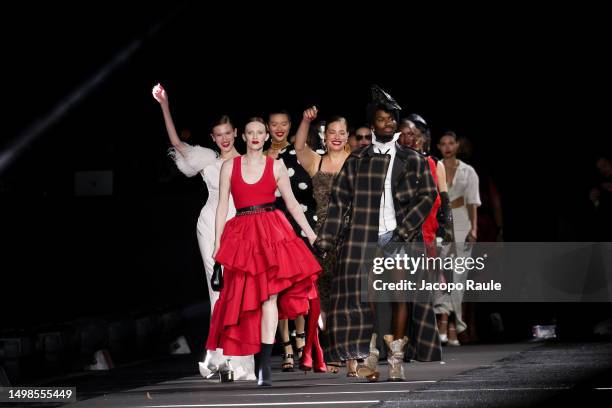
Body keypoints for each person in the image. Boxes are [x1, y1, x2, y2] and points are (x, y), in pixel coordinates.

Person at [314, 85, 440, 382]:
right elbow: (340, 201)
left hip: (398, 236)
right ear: (373, 124)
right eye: (383, 119)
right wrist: (326, 240)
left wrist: (406, 229)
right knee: (366, 299)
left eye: (393, 119)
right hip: (366, 236)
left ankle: (395, 360)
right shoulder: (358, 160)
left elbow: (428, 194)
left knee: (400, 296)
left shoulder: (411, 158)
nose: (389, 123)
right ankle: (370, 358)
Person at [206, 117, 321, 386]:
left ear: (266, 136)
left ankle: (265, 368)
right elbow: (223, 206)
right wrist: (217, 243)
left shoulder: (276, 166)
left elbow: (292, 204)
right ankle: (259, 363)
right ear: (243, 137)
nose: (256, 136)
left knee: (269, 298)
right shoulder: (229, 167)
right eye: (250, 132)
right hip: (243, 237)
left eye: (260, 132)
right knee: (248, 301)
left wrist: (311, 234)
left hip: (271, 234)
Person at [152, 84, 255, 380]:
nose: (223, 138)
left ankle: (240, 360)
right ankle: (221, 358)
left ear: (235, 132)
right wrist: (165, 105)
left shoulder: (248, 161)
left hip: (241, 225)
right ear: (213, 138)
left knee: (242, 294)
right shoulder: (208, 160)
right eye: (218, 134)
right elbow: (177, 143)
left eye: (227, 133)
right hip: (210, 225)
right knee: (218, 292)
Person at [293, 106, 351, 374]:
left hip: (351, 233)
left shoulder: (357, 160)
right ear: (325, 136)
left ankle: (349, 352)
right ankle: (332, 349)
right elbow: (298, 144)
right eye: (332, 133)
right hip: (323, 235)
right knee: (324, 299)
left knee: (348, 296)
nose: (336, 137)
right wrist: (305, 120)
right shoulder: (315, 161)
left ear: (348, 136)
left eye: (341, 132)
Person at [264, 110, 319, 372]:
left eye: (284, 124)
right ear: (267, 127)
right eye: (274, 124)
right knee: (278, 289)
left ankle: (301, 341)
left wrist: (306, 121)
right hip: (273, 229)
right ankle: (286, 346)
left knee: (300, 287)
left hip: (301, 225)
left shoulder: (300, 152)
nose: (279, 128)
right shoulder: (260, 155)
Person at [435, 130, 481, 346]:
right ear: (438, 146)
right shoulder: (435, 168)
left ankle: (451, 323)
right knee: (440, 273)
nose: (447, 147)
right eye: (443, 143)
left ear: (456, 146)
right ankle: (446, 321)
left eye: (451, 143)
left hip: (462, 219)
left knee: (458, 277)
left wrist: (474, 229)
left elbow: (473, 202)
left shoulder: (468, 171)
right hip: (442, 221)